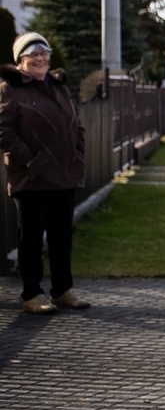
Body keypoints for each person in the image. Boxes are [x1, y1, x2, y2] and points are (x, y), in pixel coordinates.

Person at [0, 33, 90, 314]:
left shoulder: (57, 85)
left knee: (62, 237)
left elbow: (75, 122)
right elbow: (4, 132)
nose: (40, 58)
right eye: (33, 54)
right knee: (32, 238)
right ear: (21, 60)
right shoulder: (10, 89)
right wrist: (31, 161)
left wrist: (77, 151)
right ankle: (32, 294)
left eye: (44, 53)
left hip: (64, 174)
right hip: (32, 178)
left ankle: (62, 290)